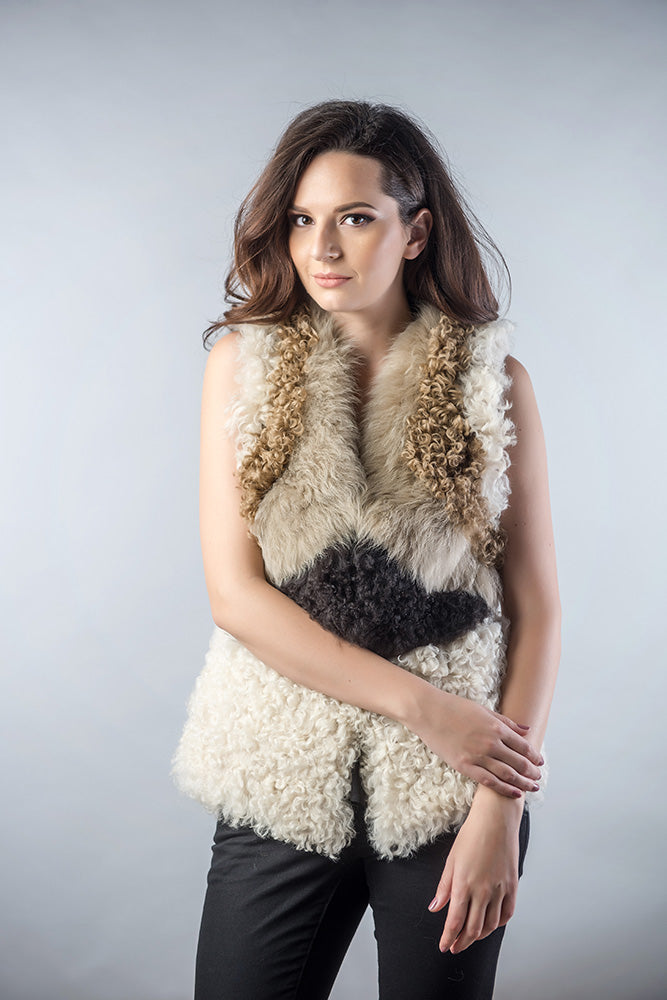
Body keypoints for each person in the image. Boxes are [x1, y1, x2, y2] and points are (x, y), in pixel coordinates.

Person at [171, 98, 561, 1000]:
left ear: (414, 231)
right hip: (278, 770)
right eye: (300, 220)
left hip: (451, 789)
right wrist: (424, 708)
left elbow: (536, 608)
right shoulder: (242, 368)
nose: (322, 248)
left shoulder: (494, 383)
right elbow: (236, 595)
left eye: (354, 217)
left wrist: (500, 808)